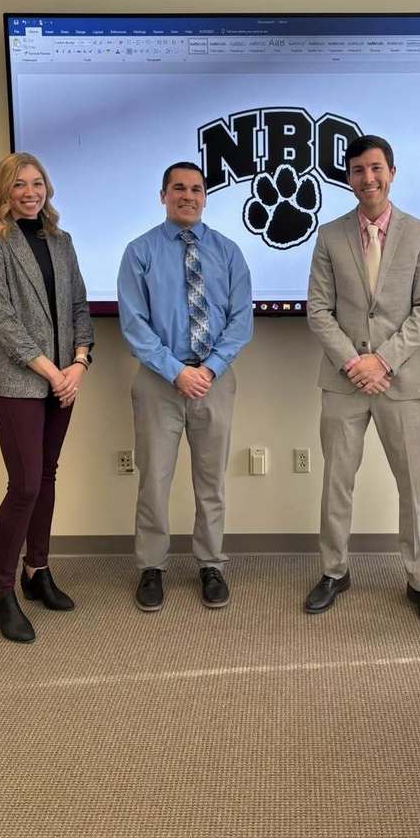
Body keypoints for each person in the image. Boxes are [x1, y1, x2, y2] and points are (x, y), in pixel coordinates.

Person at [304, 135, 420, 627]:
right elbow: (319, 310)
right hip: (344, 381)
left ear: (392, 171)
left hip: (401, 381)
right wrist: (354, 363)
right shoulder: (329, 236)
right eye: (359, 170)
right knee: (337, 482)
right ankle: (334, 572)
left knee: (414, 486)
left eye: (376, 168)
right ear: (348, 177)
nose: (369, 178)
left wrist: (382, 361)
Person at [118, 161, 253, 612]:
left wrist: (209, 368)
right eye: (178, 188)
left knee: (210, 481)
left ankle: (211, 564)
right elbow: (134, 325)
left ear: (205, 197)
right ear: (163, 195)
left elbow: (241, 321)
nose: (188, 196)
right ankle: (151, 568)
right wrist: (176, 370)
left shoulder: (229, 252)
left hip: (214, 380)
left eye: (196, 189)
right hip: (160, 381)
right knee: (153, 480)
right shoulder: (140, 252)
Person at [0, 153, 94, 644]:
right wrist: (50, 371)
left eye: (37, 183)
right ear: (5, 189)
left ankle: (36, 569)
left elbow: (81, 306)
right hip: (19, 381)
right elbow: (3, 321)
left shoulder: (60, 242)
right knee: (23, 484)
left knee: (46, 474)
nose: (30, 192)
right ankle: (1, 592)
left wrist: (79, 364)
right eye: (19, 184)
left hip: (65, 377)